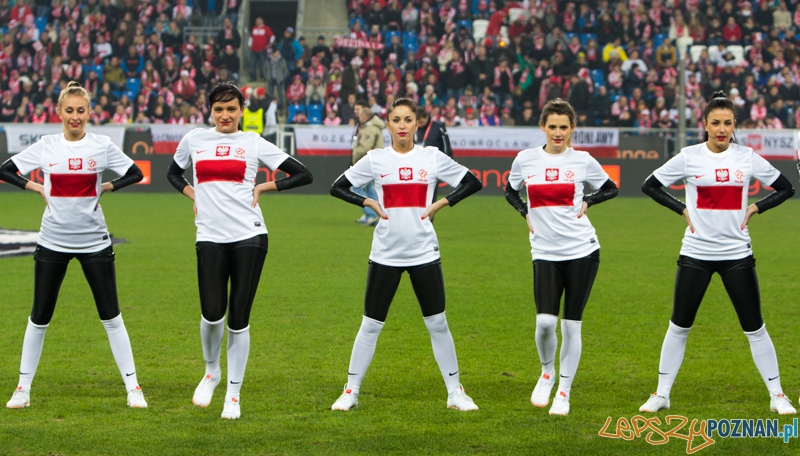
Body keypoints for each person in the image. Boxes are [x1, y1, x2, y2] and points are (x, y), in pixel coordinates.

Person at [638, 91, 796, 415]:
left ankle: (778, 395)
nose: (721, 129)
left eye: (727, 123)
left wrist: (755, 207)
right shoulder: (688, 156)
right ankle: (662, 393)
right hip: (696, 252)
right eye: (715, 123)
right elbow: (650, 185)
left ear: (734, 124)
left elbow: (786, 188)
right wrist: (680, 207)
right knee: (679, 325)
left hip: (737, 253)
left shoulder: (747, 157)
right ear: (705, 124)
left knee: (755, 327)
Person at [166, 82, 313, 419]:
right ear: (210, 111)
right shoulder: (194, 139)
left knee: (238, 319)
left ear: (242, 110)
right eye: (219, 109)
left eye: (231, 109)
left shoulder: (253, 142)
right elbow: (173, 172)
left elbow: (303, 174)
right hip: (210, 236)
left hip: (250, 235)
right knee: (212, 313)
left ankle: (233, 394)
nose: (225, 115)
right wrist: (193, 194)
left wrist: (264, 184)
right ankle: (210, 371)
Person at [328, 98, 483, 411]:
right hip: (385, 252)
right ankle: (351, 391)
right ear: (387, 125)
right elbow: (338, 187)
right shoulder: (375, 159)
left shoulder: (432, 157)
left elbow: (472, 181)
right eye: (396, 120)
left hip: (424, 251)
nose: (401, 126)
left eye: (407, 120)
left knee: (438, 323)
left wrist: (443, 202)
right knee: (370, 324)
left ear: (417, 124)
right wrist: (366, 202)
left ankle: (455, 392)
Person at [0, 81, 147, 409]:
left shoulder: (102, 144)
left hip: (94, 242)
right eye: (70, 111)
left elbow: (135, 172)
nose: (75, 116)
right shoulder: (46, 145)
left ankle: (133, 388)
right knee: (39, 316)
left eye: (81, 111)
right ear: (59, 112)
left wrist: (108, 185)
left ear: (90, 112)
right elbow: (6, 170)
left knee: (111, 316)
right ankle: (22, 390)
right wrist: (34, 187)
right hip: (52, 241)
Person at [503, 98, 618, 416]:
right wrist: (524, 211)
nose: (557, 132)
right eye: (552, 126)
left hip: (582, 250)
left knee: (570, 326)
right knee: (544, 323)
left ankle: (564, 392)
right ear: (543, 127)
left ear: (572, 129)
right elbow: (510, 191)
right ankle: (546, 372)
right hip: (544, 251)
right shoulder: (525, 159)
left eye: (563, 127)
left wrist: (589, 201)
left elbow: (611, 187)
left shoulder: (582, 160)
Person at [351, 99, 383, 226]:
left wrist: (355, 154)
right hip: (373, 162)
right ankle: (373, 214)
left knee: (355, 188)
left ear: (364, 117)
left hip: (367, 162)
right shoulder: (374, 127)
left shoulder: (369, 129)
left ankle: (371, 214)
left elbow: (364, 148)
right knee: (370, 189)